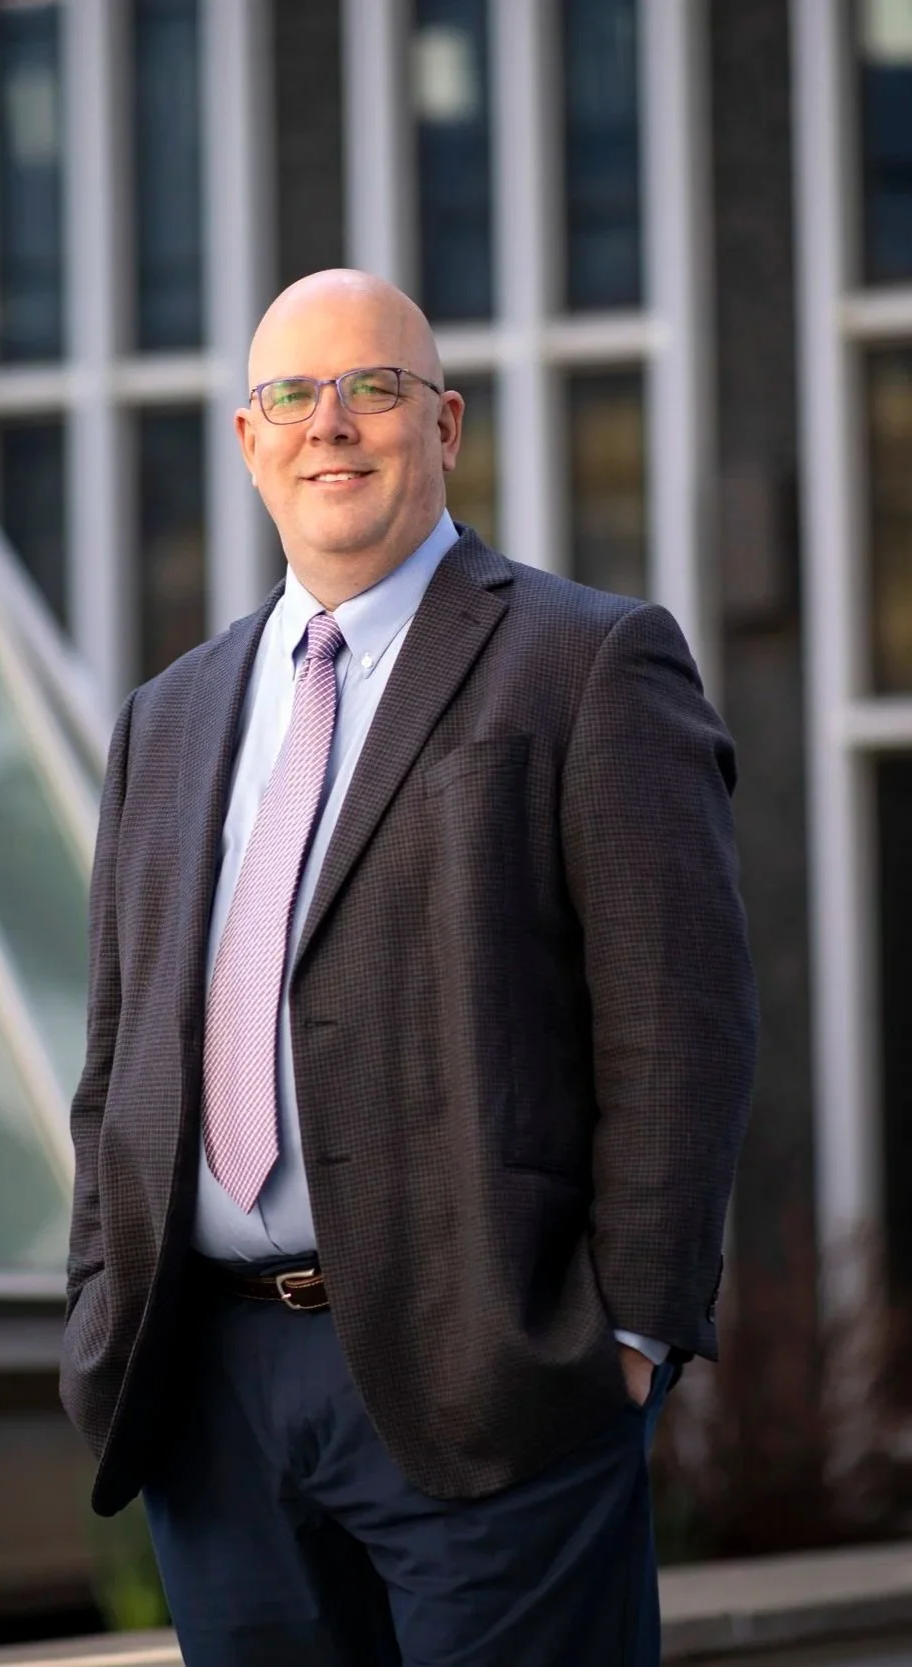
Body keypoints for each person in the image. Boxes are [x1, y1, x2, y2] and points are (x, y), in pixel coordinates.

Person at [61, 269, 758, 1667]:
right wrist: (101, 1294)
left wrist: (624, 1336)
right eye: (292, 397)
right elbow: (118, 1055)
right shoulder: (168, 714)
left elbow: (677, 1028)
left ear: (444, 424)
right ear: (247, 441)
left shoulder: (585, 661)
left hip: (490, 1372)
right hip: (212, 1391)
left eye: (372, 388)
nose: (333, 425)